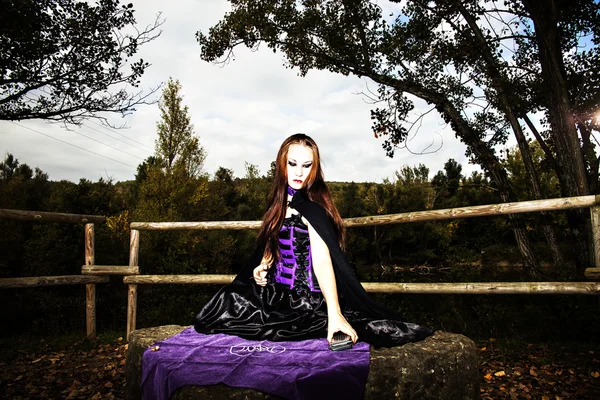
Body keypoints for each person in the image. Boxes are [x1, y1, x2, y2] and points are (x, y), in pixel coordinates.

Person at [194, 134, 433, 347]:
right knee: (223, 303)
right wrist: (264, 265)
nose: (299, 172)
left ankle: (329, 318)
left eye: (307, 165)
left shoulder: (313, 210)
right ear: (282, 165)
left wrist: (335, 314)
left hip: (307, 301)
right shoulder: (278, 205)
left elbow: (321, 261)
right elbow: (272, 242)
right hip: (277, 293)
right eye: (292, 164)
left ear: (314, 169)